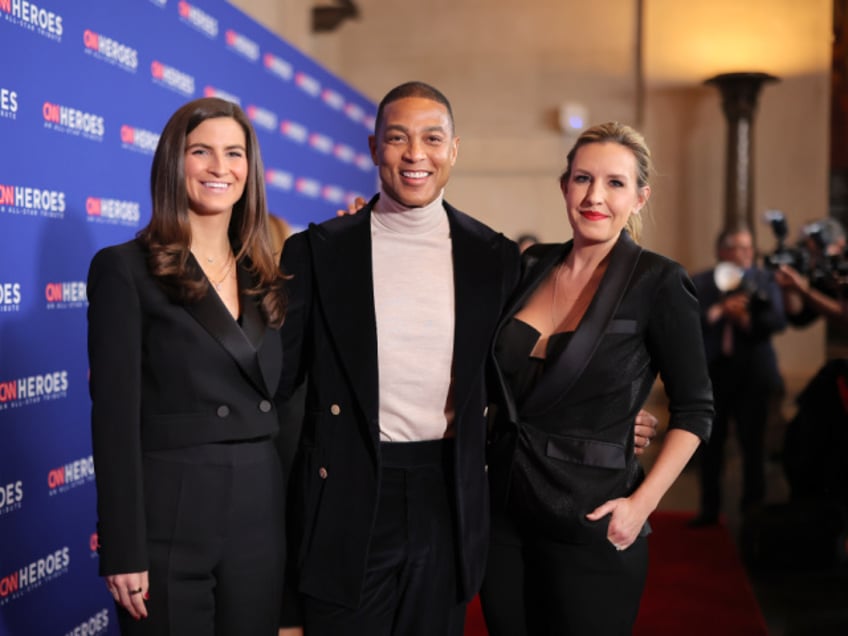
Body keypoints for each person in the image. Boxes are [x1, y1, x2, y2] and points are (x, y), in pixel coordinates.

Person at [278, 84, 658, 635]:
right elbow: (284, 390)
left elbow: (523, 367)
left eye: (432, 139)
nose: (415, 154)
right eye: (398, 138)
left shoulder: (497, 258)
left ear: (454, 150)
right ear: (372, 147)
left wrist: (612, 419)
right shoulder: (317, 251)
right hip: (345, 493)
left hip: (449, 493)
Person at [479, 121, 714, 635]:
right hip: (502, 515)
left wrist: (640, 505)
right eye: (583, 179)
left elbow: (696, 410)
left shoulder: (659, 281)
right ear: (564, 186)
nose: (595, 197)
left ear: (639, 197)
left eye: (615, 183)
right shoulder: (531, 265)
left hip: (591, 517)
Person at [87, 97, 289, 635]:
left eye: (234, 153)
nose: (220, 168)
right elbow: (114, 421)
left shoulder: (268, 276)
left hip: (260, 513)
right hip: (170, 514)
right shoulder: (125, 270)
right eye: (201, 151)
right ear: (174, 163)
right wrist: (122, 547)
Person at [689, 226, 785, 527]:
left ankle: (752, 510)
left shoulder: (765, 280)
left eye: (748, 248)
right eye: (737, 248)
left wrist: (745, 318)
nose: (745, 254)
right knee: (710, 446)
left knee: (752, 445)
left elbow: (778, 321)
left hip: (752, 375)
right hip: (713, 374)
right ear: (722, 251)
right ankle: (708, 510)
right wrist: (719, 311)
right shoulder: (700, 282)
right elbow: (686, 323)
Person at [773, 217, 848, 329]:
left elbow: (843, 315)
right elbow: (799, 318)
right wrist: (791, 287)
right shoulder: (823, 277)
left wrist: (804, 290)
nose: (814, 261)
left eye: (817, 253)